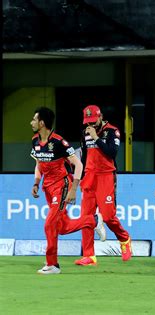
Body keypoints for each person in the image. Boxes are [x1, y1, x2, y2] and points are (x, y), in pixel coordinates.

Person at [30, 107, 106, 274]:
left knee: (49, 224)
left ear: (42, 123)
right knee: (62, 227)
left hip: (62, 185)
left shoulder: (59, 142)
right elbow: (38, 165)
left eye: (34, 119)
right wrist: (36, 182)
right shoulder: (35, 140)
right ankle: (93, 221)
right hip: (48, 188)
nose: (32, 122)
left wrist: (73, 188)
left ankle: (52, 264)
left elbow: (78, 165)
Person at [75, 105, 132, 266]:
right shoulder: (85, 132)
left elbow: (112, 153)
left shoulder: (112, 131)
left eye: (93, 121)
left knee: (108, 217)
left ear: (100, 117)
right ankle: (89, 256)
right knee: (86, 218)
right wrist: (83, 177)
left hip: (106, 176)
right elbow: (84, 155)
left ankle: (124, 238)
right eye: (88, 122)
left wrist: (96, 138)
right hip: (89, 177)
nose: (90, 125)